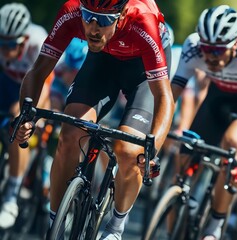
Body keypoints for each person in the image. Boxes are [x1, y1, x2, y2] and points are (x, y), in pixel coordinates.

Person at [12, 0, 175, 239]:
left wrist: (153, 150)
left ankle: (116, 227)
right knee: (69, 135)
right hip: (103, 62)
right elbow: (38, 70)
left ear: (121, 16)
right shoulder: (71, 12)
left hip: (143, 70)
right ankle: (54, 224)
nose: (93, 28)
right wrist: (26, 115)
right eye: (88, 16)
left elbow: (164, 97)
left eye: (105, 19)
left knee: (130, 151)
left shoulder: (143, 21)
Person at [170, 5, 237, 239]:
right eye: (206, 49)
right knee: (185, 152)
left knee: (231, 144)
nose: (210, 56)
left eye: (218, 51)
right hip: (219, 96)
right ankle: (172, 226)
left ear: (235, 45)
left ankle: (215, 226)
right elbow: (170, 96)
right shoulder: (192, 46)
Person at [0, 2, 54, 229]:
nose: (5, 49)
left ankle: (11, 195)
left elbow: (45, 86)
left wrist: (26, 114)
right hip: (6, 83)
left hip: (32, 88)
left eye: (11, 44)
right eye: (1, 43)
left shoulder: (37, 42)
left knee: (17, 123)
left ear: (23, 40)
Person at [50, 37, 88, 111]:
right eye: (71, 70)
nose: (72, 75)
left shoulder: (92, 78)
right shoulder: (59, 71)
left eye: (77, 72)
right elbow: (54, 105)